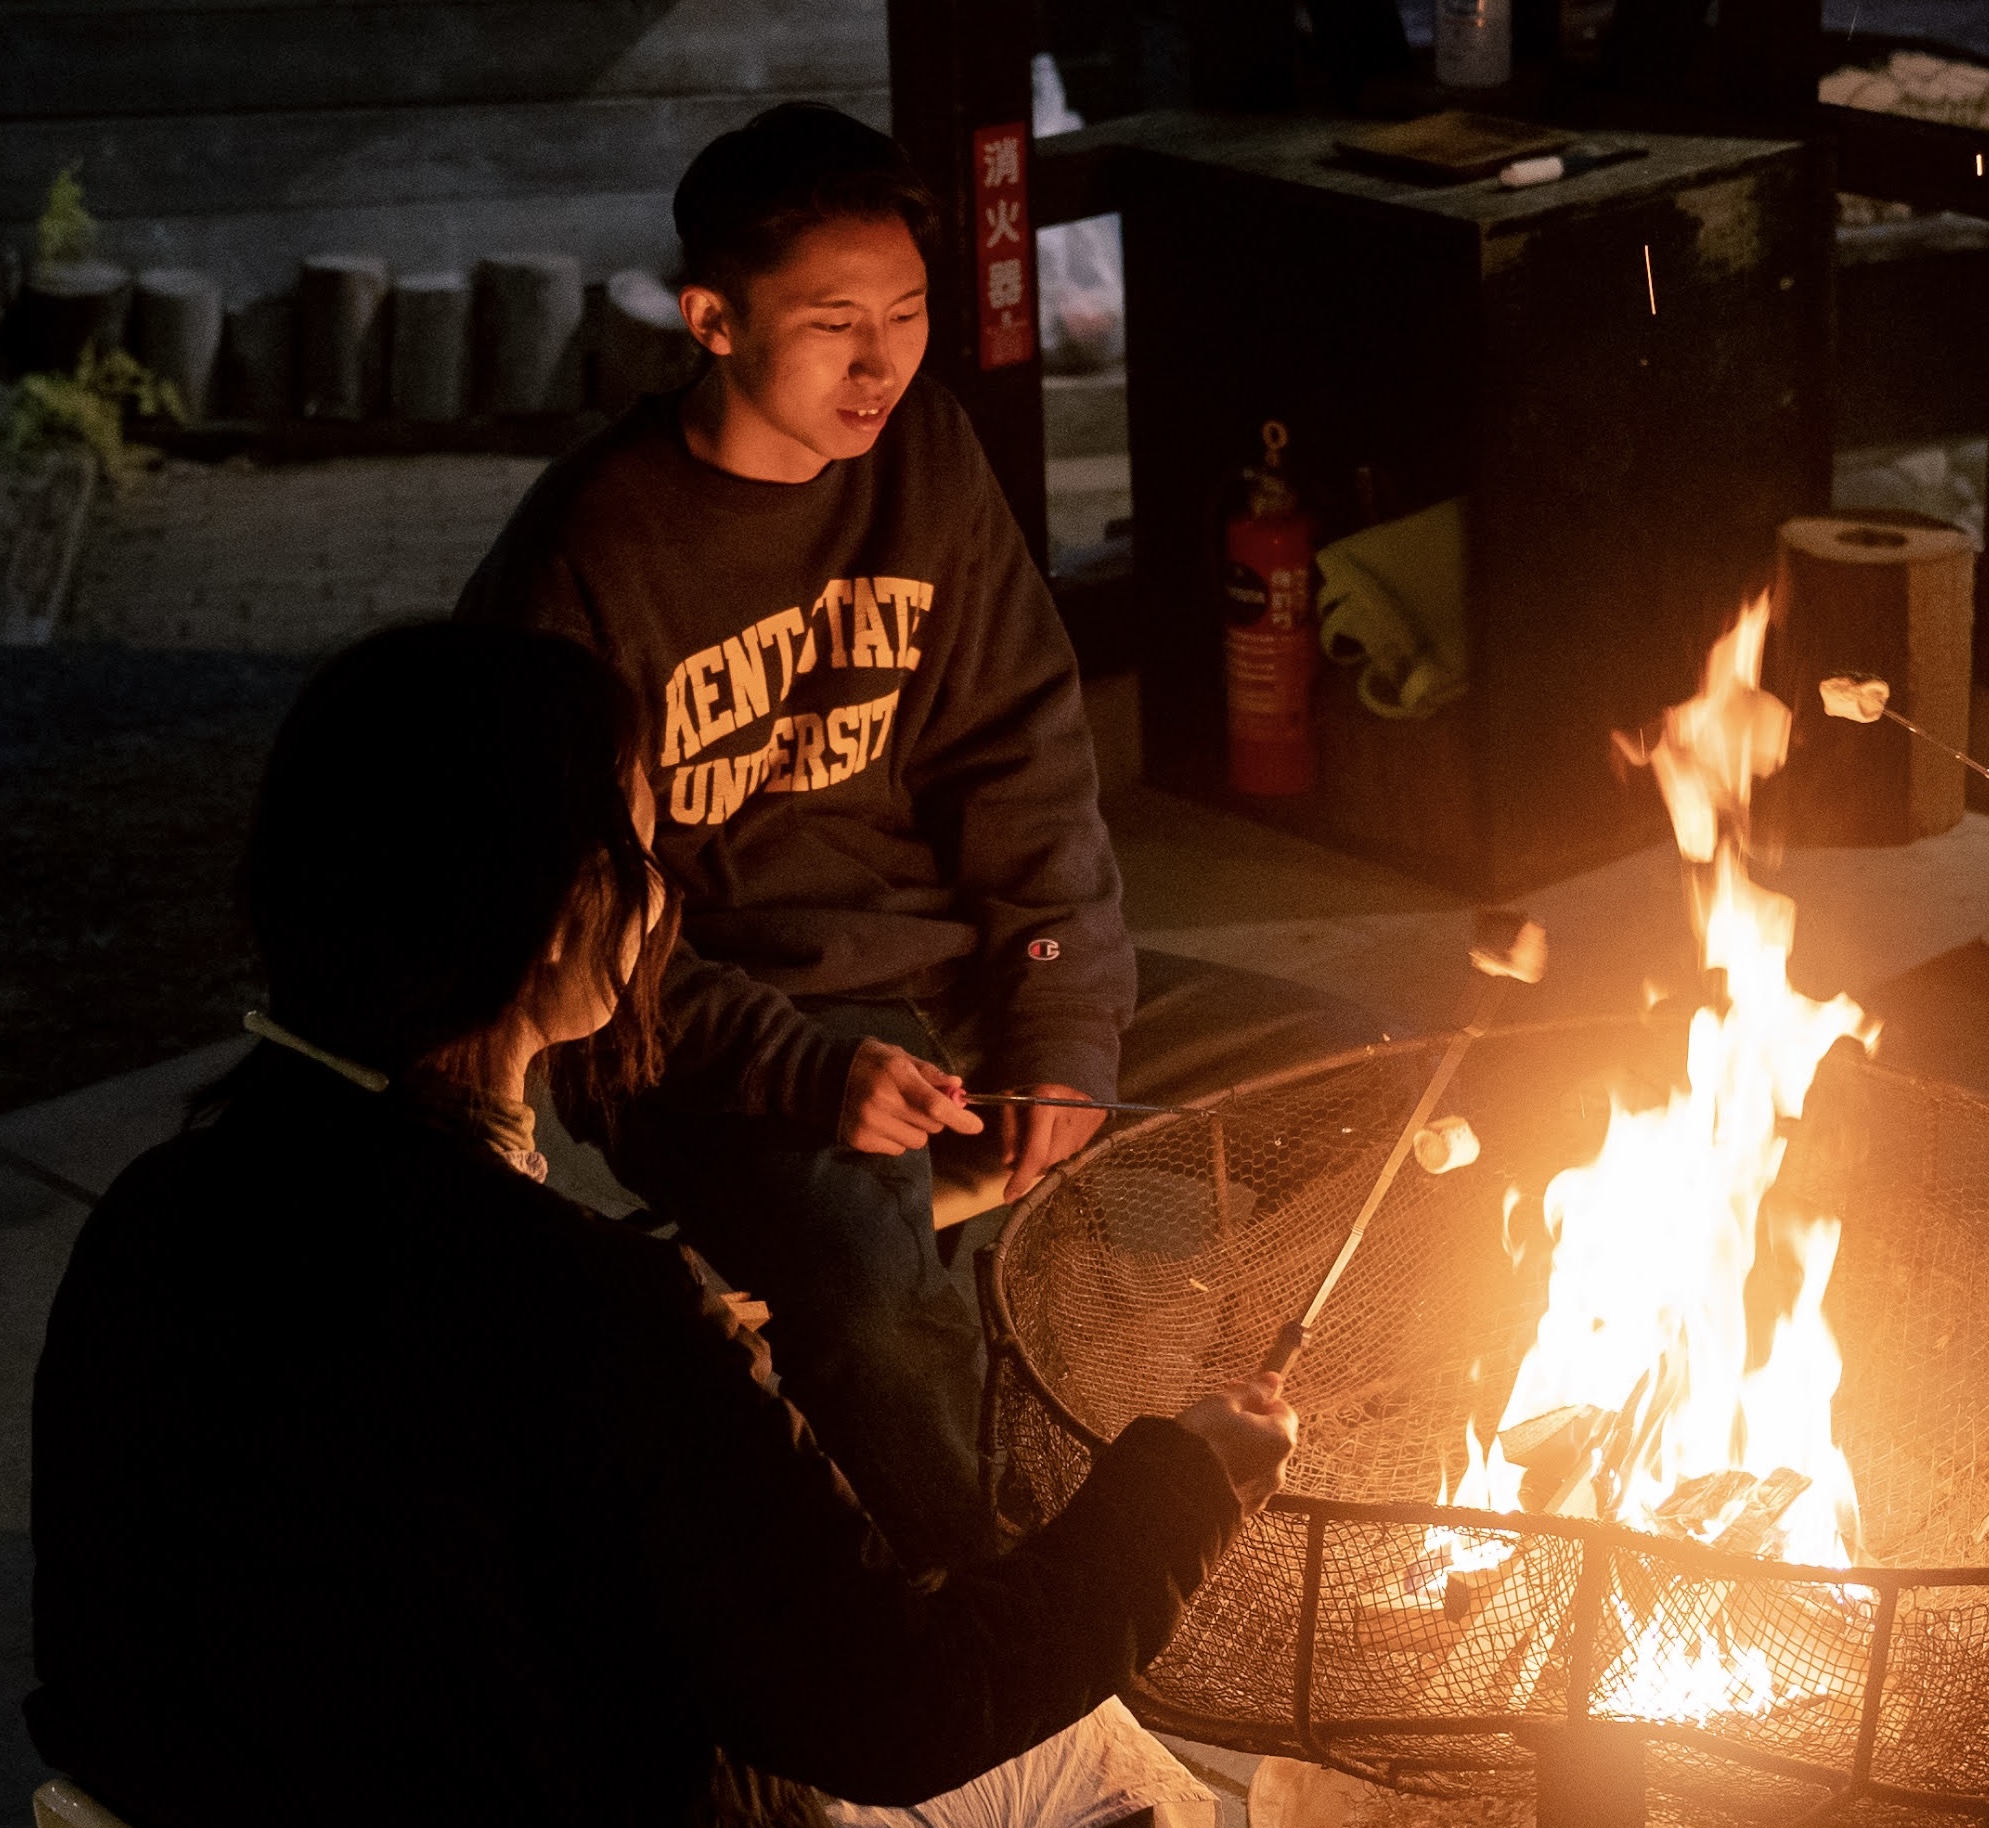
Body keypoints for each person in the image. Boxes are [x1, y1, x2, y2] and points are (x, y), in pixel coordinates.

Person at [26, 622, 1296, 1828]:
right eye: (643, 848)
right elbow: (904, 1707)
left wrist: (674, 1380)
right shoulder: (599, 1315)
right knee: (1105, 1764)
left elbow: (404, 1439)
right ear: (563, 911)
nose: (664, 895)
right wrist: (1183, 1482)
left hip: (247, 1800)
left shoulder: (153, 1215)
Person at [459, 103, 1380, 1575]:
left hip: (958, 989)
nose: (881, 364)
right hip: (718, 1037)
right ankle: (1003, 1621)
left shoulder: (924, 457)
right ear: (712, 320)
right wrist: (803, 1067)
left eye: (907, 315)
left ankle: (1231, 1473)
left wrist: (1065, 1029)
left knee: (1356, 1083)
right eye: (834, 325)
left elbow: (1021, 755)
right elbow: (568, 930)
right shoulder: (587, 556)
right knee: (867, 1288)